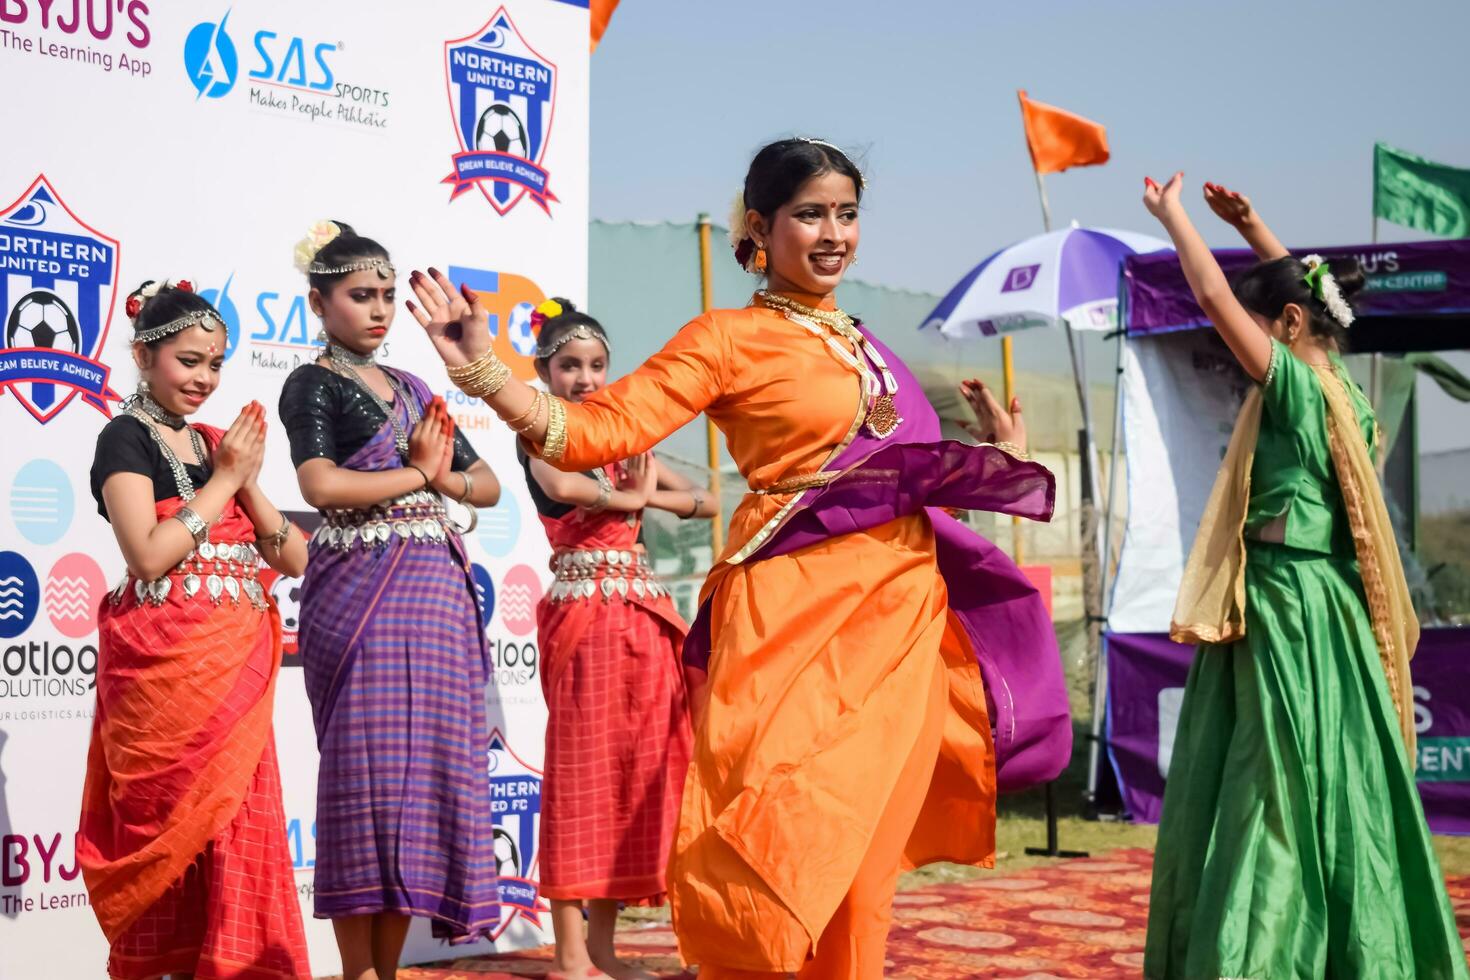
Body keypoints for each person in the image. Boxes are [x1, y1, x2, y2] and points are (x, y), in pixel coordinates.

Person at [406, 138, 1072, 978]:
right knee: (787, 836)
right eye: (811, 214)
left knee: (864, 871)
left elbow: (896, 474)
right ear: (761, 225)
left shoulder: (867, 346)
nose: (834, 234)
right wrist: (480, 366)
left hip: (900, 620)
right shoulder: (726, 339)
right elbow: (587, 436)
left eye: (848, 214)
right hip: (793, 623)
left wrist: (994, 452)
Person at [1140, 174, 1468, 979]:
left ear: (1286, 326)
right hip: (1326, 608)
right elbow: (1319, 303)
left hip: (1285, 601)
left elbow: (1216, 300)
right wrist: (1259, 232)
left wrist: (1173, 217)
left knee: (1275, 780)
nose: (1241, 341)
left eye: (1263, 326)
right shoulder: (1345, 391)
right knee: (1330, 775)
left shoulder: (1292, 387)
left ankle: (1264, 954)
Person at [277, 221, 502, 980]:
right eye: (358, 296)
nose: (376, 310)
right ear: (318, 302)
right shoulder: (312, 383)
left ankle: (389, 971)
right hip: (360, 598)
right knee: (366, 782)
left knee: (422, 782)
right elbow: (321, 487)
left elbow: (488, 486)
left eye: (383, 296)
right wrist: (418, 476)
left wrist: (441, 479)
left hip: (433, 596)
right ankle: (355, 974)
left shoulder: (413, 389)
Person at [79, 278, 312, 979]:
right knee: (174, 844)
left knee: (234, 837)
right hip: (165, 677)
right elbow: (147, 554)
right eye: (188, 361)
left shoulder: (217, 445)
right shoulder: (123, 438)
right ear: (145, 355)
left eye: (214, 363)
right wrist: (225, 480)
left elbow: (293, 557)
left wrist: (244, 479)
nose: (204, 378)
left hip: (230, 676)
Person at [517, 299, 715, 980]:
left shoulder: (626, 437)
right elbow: (563, 484)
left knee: (637, 779)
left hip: (641, 615)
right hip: (585, 615)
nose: (585, 378)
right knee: (581, 779)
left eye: (597, 365)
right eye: (569, 366)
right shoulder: (539, 432)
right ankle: (570, 957)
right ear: (541, 372)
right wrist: (636, 497)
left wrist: (646, 491)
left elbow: (709, 501)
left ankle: (602, 951)